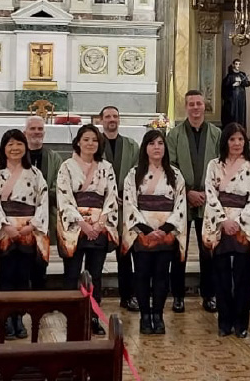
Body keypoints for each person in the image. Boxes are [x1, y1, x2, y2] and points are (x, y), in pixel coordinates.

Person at [0, 130, 49, 340]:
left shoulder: (35, 174)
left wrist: (33, 225)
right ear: (3, 148)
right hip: (5, 230)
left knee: (23, 277)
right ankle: (6, 319)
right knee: (6, 276)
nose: (15, 148)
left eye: (19, 144)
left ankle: (19, 318)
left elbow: (43, 201)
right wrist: (4, 224)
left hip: (28, 230)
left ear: (25, 147)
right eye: (10, 144)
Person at [202, 123, 250, 338]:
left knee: (243, 276)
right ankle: (224, 321)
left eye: (240, 139)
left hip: (244, 225)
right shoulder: (214, 165)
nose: (237, 143)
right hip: (220, 223)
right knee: (220, 276)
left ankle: (241, 322)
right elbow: (210, 194)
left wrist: (238, 221)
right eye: (232, 139)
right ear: (225, 142)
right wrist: (223, 220)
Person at [121, 129, 186, 335]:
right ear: (145, 148)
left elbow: (180, 204)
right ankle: (145, 316)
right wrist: (147, 230)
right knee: (141, 274)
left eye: (160, 143)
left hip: (166, 232)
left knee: (161, 275)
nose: (156, 147)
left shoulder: (175, 174)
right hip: (142, 232)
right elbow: (130, 203)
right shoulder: (134, 174)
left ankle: (158, 315)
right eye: (151, 143)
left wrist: (165, 229)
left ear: (165, 147)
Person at [56, 125, 119, 336]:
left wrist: (100, 224)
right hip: (75, 226)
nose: (90, 143)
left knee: (95, 274)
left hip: (98, 224)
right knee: (71, 273)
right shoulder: (67, 166)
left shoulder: (106, 167)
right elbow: (64, 197)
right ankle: (71, 316)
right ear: (78, 142)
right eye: (86, 139)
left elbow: (111, 197)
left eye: (94, 140)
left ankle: (93, 316)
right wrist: (82, 223)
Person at [167, 89, 220, 313]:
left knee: (208, 250)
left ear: (204, 106)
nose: (196, 107)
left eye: (199, 103)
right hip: (182, 201)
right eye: (191, 104)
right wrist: (188, 192)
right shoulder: (174, 135)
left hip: (208, 200)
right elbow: (170, 166)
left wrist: (207, 192)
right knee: (178, 250)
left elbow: (221, 165)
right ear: (186, 107)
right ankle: (178, 296)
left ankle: (209, 295)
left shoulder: (216, 134)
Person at [100, 106, 140, 312]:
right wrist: (108, 195)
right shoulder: (93, 143)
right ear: (101, 120)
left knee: (125, 253)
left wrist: (126, 195)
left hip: (125, 206)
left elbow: (138, 172)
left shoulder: (131, 145)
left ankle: (128, 296)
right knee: (97, 256)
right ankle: (92, 299)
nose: (112, 119)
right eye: (108, 116)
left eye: (115, 116)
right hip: (101, 208)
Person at [25, 115, 62, 290]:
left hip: (46, 217)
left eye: (40, 129)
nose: (36, 132)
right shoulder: (17, 154)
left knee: (41, 262)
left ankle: (39, 298)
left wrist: (42, 200)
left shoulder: (54, 158)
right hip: (21, 218)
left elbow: (58, 184)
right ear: (25, 132)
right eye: (32, 129)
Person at [220, 60, 250, 128]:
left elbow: (247, 83)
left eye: (239, 64)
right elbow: (225, 86)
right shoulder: (230, 76)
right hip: (233, 99)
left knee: (241, 114)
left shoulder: (242, 74)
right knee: (233, 114)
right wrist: (233, 85)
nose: (238, 66)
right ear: (233, 65)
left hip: (241, 98)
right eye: (236, 64)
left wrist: (241, 83)